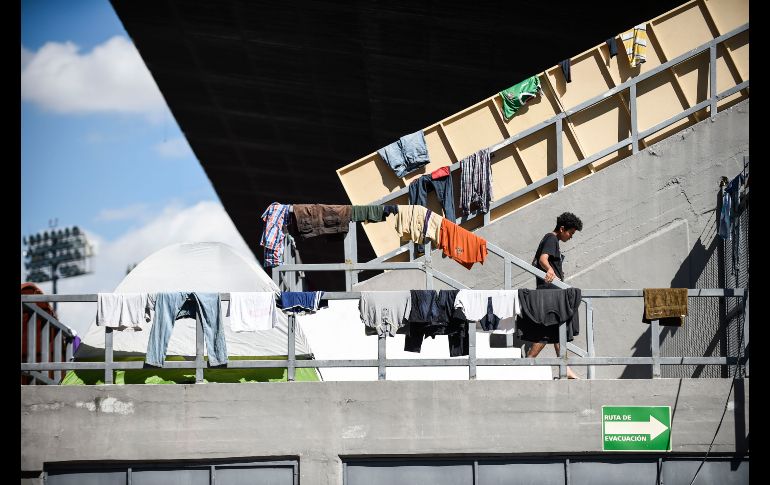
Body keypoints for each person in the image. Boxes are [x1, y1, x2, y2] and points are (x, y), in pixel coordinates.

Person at [527, 212, 583, 379]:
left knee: (557, 331)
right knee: (549, 331)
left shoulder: (550, 240)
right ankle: (529, 361)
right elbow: (543, 259)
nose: (571, 237)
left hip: (550, 292)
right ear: (562, 228)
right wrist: (550, 270)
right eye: (571, 233)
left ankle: (563, 367)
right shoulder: (551, 239)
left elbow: (536, 261)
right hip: (550, 293)